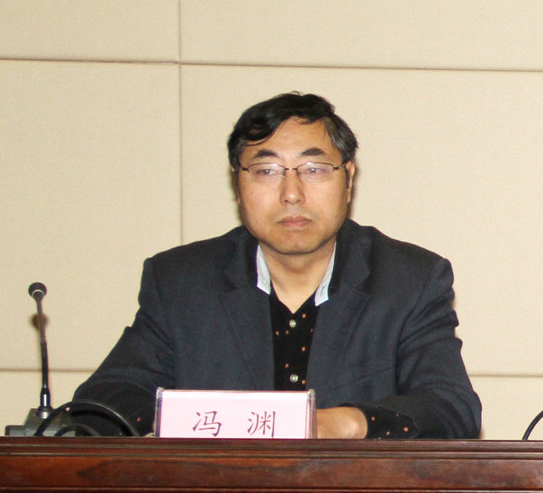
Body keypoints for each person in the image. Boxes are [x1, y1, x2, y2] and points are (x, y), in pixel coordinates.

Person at [73, 92, 481, 439]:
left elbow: (450, 408)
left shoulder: (409, 279)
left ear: (348, 178)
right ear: (238, 182)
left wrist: (343, 423)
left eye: (314, 169)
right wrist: (191, 422)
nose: (291, 193)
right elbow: (103, 403)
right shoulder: (181, 281)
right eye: (267, 171)